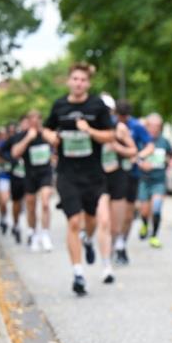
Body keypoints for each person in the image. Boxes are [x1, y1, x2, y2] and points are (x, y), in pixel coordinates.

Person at [42, 63, 119, 296]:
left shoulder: (97, 106)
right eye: (75, 79)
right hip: (67, 174)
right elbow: (46, 129)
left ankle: (87, 239)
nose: (78, 83)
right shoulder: (60, 105)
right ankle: (78, 274)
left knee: (91, 221)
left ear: (88, 83)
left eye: (83, 80)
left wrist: (90, 131)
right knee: (74, 222)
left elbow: (110, 135)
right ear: (69, 81)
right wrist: (51, 137)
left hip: (93, 174)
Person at [9, 109, 56, 252]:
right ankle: (34, 233)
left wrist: (44, 133)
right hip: (30, 174)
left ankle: (45, 234)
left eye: (38, 118)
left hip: (45, 173)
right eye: (32, 119)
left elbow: (56, 141)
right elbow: (15, 153)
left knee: (46, 203)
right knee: (31, 206)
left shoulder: (45, 133)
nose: (35, 121)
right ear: (28, 121)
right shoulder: (23, 135)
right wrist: (28, 138)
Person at [112, 100, 151, 264]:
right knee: (114, 214)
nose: (122, 119)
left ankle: (121, 245)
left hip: (131, 174)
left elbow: (150, 146)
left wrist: (139, 157)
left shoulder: (136, 126)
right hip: (112, 174)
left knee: (128, 215)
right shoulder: (109, 124)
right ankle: (113, 243)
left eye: (125, 117)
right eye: (120, 117)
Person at [136, 113, 172, 248]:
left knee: (156, 207)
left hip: (159, 181)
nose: (154, 128)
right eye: (151, 126)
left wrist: (169, 162)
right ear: (146, 126)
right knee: (144, 211)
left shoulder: (164, 141)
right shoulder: (141, 140)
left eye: (157, 126)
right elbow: (134, 156)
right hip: (144, 180)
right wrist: (141, 164)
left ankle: (154, 236)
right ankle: (145, 224)